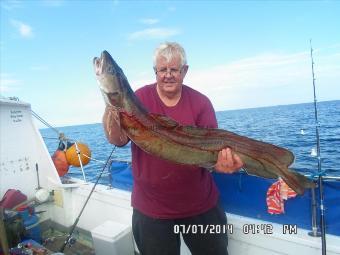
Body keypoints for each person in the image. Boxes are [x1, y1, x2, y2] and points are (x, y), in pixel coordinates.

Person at [103, 42, 243, 255]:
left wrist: (222, 164)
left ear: (184, 71)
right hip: (151, 210)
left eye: (174, 70)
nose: (168, 75)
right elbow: (118, 140)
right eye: (162, 70)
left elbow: (213, 153)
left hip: (200, 206)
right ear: (155, 72)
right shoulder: (138, 98)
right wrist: (111, 106)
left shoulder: (201, 103)